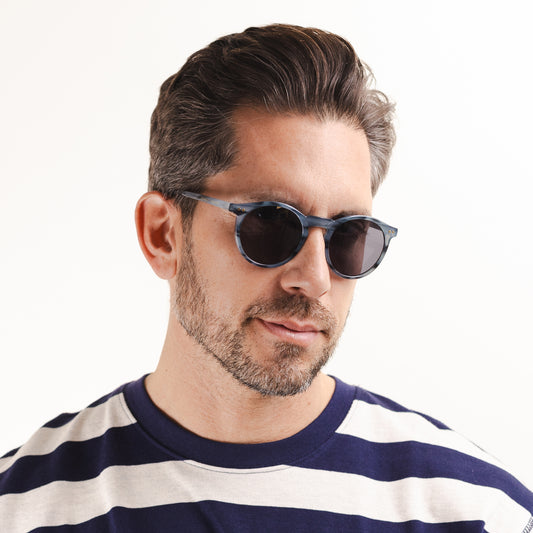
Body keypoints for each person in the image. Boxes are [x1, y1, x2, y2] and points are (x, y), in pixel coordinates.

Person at [0, 23, 532, 533]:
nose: (315, 279)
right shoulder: (21, 510)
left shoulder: (480, 514)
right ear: (163, 235)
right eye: (272, 225)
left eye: (349, 235)